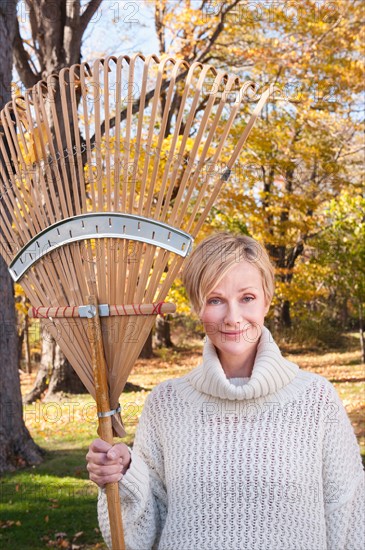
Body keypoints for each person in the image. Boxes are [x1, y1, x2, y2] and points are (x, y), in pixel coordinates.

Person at [86, 233, 364, 550]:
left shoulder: (316, 400)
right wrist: (123, 476)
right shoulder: (165, 404)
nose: (233, 318)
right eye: (216, 300)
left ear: (267, 301)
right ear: (197, 307)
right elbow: (142, 534)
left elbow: (350, 521)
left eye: (247, 298)